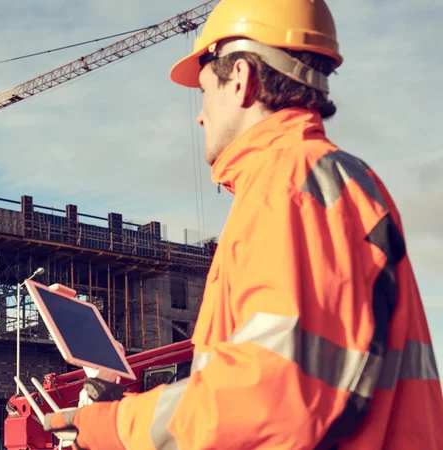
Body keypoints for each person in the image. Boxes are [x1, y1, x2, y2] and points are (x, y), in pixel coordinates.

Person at [43, 0, 443, 448]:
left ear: (240, 80)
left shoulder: (287, 187)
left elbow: (269, 399)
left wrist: (110, 426)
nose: (199, 115)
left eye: (203, 92)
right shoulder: (336, 181)